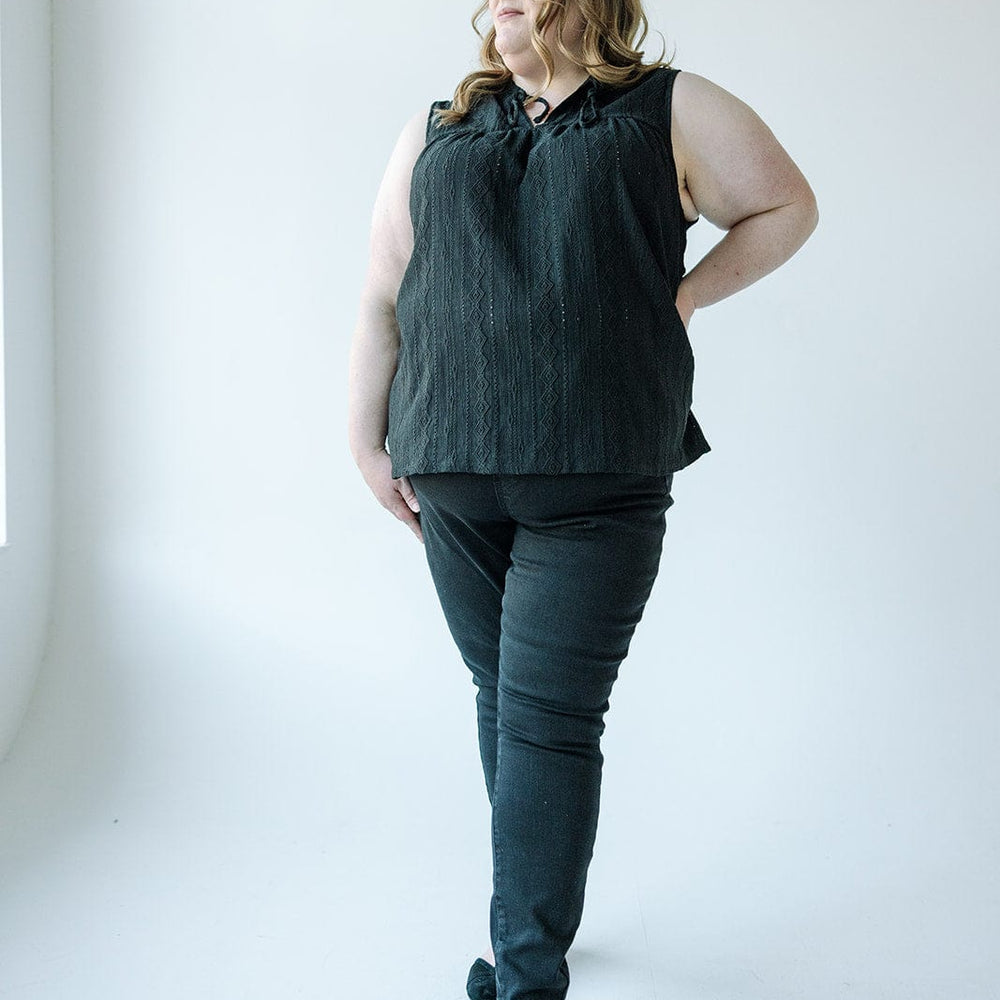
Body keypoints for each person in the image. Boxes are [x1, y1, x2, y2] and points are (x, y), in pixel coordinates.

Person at [347, 1, 818, 997]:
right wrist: (364, 438)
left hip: (596, 468)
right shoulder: (435, 128)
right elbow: (386, 287)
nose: (497, 4)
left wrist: (683, 295)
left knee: (546, 720)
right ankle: (537, 911)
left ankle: (523, 975)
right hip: (448, 463)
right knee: (506, 699)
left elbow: (785, 206)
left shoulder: (667, 108)